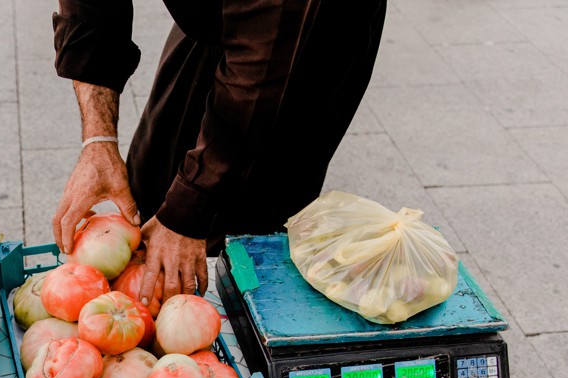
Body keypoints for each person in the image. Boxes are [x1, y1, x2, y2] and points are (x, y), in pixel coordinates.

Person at [51, 0, 387, 305]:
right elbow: (90, 10)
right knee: (153, 183)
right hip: (211, 18)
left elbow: (260, 77)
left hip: (309, 32)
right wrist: (98, 142)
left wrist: (189, 211)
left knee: (243, 215)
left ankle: (246, 324)